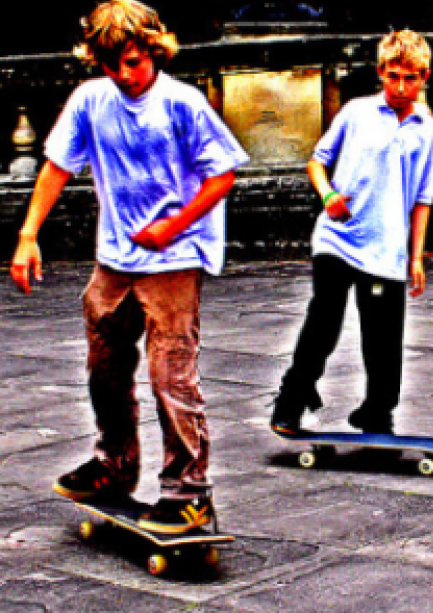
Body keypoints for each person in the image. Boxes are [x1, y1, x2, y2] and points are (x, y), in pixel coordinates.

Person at [10, 0, 249, 534]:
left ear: (156, 52)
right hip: (115, 259)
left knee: (172, 378)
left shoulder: (182, 103)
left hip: (174, 258)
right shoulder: (91, 100)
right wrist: (28, 235)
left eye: (135, 61)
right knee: (105, 370)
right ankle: (114, 464)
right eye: (112, 62)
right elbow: (55, 168)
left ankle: (189, 491)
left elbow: (223, 174)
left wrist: (172, 226)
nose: (124, 74)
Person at [270, 29, 433, 436]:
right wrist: (327, 193)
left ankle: (377, 412)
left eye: (411, 77)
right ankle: (291, 400)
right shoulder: (356, 112)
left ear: (425, 76)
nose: (401, 86)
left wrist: (415, 256)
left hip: (385, 247)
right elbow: (317, 161)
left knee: (383, 338)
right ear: (381, 72)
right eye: (394, 76)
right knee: (323, 321)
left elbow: (422, 198)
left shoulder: (427, 130)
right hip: (338, 237)